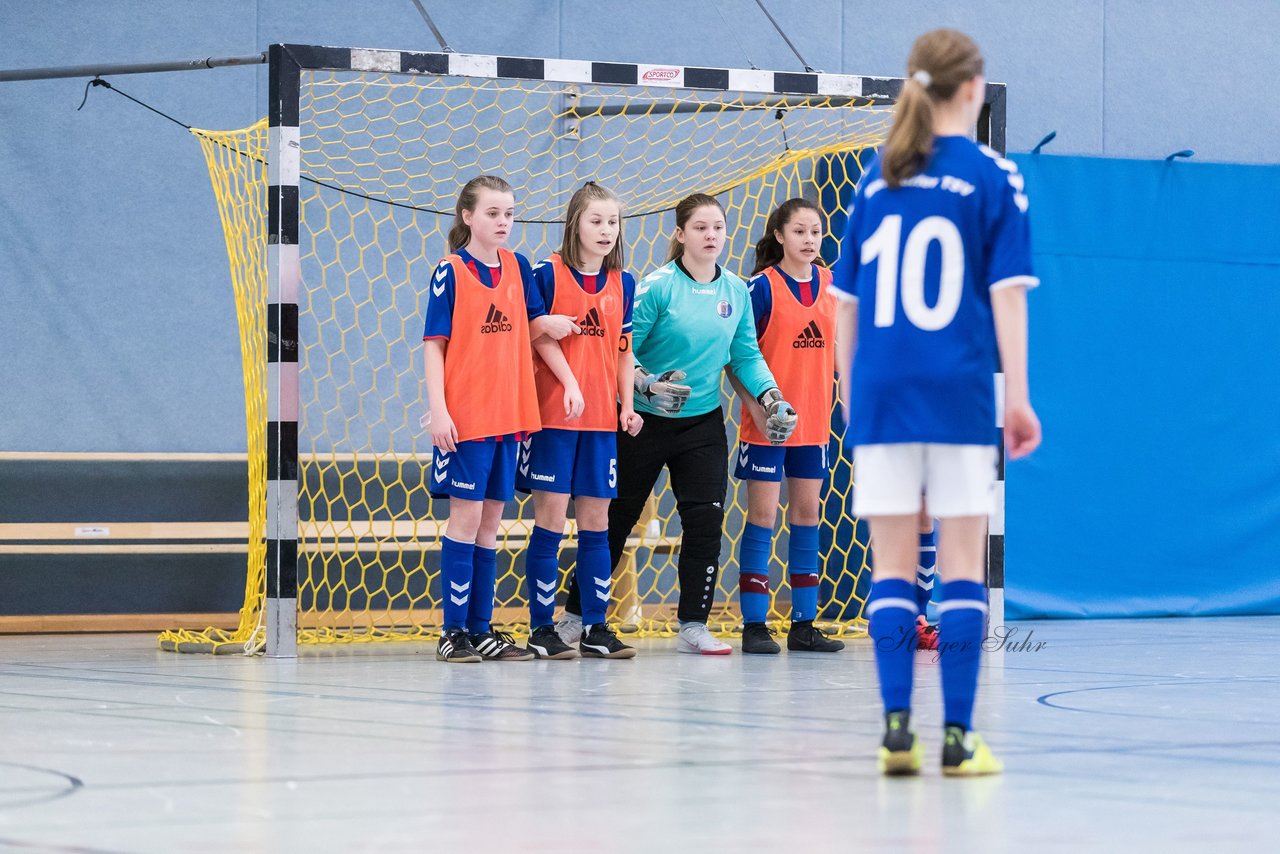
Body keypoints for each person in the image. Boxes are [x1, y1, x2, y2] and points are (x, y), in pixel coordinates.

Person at [833, 30, 1041, 776]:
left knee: (890, 565)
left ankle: (896, 733)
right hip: (956, 388)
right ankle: (957, 737)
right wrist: (1017, 396)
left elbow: (843, 306)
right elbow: (1008, 296)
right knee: (960, 562)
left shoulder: (876, 178)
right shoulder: (993, 176)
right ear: (975, 88)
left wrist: (852, 393)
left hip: (883, 388)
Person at [557, 193, 798, 655]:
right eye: (701, 228)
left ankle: (692, 623)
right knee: (614, 521)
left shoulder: (736, 291)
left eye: (718, 228)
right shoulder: (656, 287)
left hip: (702, 425)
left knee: (705, 523)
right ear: (680, 234)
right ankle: (575, 616)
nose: (711, 236)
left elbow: (745, 355)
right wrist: (646, 386)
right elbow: (620, 350)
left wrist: (772, 398)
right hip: (641, 424)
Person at [422, 174, 582, 663]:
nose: (503, 222)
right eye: (493, 212)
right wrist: (440, 411)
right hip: (466, 418)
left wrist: (570, 379)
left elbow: (533, 331)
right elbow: (434, 345)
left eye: (510, 213)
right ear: (467, 216)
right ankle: (453, 633)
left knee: (492, 523)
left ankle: (481, 628)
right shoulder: (450, 271)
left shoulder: (518, 268)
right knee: (465, 520)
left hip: (511, 417)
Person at [518, 182, 643, 660]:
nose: (606, 230)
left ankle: (595, 627)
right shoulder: (546, 273)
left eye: (613, 222)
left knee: (597, 524)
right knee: (550, 521)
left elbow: (623, 350)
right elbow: (534, 335)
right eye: (596, 221)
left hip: (598, 424)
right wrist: (570, 382)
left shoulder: (622, 283)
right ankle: (541, 629)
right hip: (553, 418)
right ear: (575, 224)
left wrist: (626, 405)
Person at [730, 198, 844, 655]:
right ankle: (754, 624)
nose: (809, 240)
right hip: (767, 426)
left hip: (814, 425)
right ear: (779, 235)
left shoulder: (831, 285)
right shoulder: (759, 288)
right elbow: (736, 358)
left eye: (815, 232)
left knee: (806, 515)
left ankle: (804, 623)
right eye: (799, 231)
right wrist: (755, 408)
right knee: (761, 516)